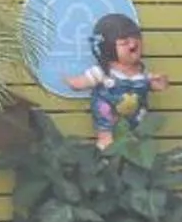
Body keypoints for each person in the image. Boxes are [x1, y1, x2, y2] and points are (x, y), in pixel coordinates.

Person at [66, 12, 166, 150]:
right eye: (124, 42)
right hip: (108, 115)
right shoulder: (103, 73)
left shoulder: (140, 73)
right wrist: (73, 82)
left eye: (136, 39)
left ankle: (132, 148)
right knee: (107, 135)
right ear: (108, 47)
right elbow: (84, 82)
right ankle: (106, 145)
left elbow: (151, 85)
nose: (132, 45)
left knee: (135, 139)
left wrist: (156, 83)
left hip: (135, 117)